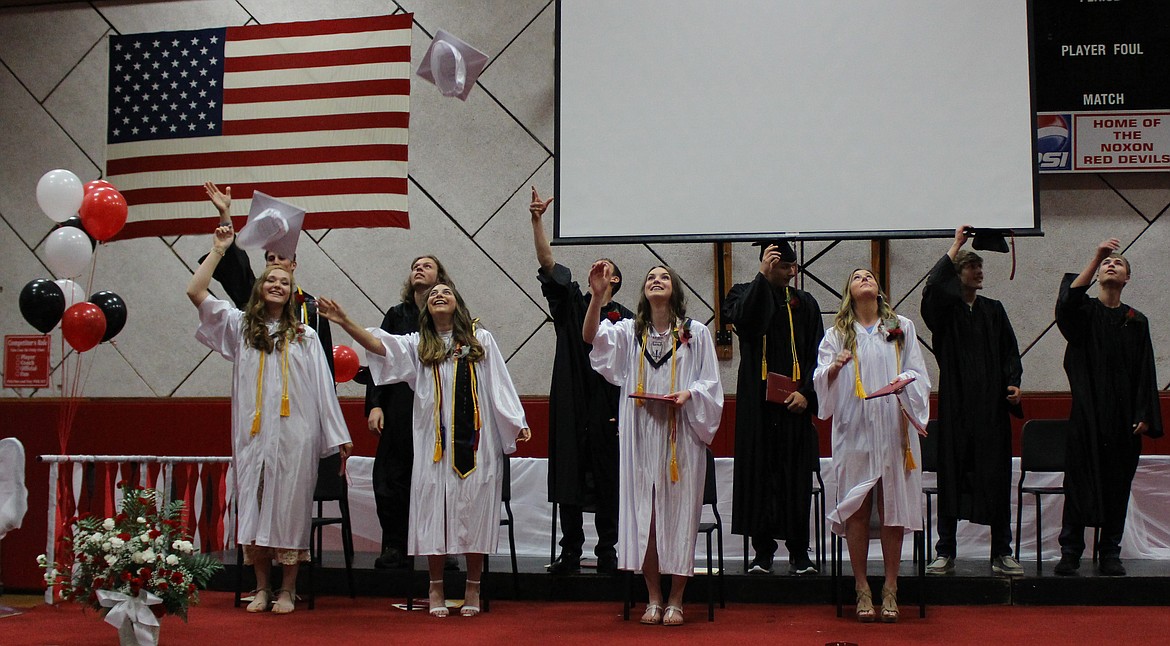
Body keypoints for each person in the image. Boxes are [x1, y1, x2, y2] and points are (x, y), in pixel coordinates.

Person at [317, 285, 530, 618]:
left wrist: (516, 421)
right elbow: (379, 345)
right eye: (433, 295)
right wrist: (345, 321)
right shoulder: (418, 345)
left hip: (476, 443)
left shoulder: (480, 341)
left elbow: (500, 383)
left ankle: (473, 585)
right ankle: (435, 586)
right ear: (425, 309)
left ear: (457, 301)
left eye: (445, 291)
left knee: (474, 509)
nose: (438, 295)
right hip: (435, 445)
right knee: (433, 509)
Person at [187, 226, 352, 615]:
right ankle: (261, 587)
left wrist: (339, 436)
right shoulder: (241, 327)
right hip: (253, 435)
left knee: (291, 510)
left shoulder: (305, 335)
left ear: (293, 289)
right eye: (271, 280)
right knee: (255, 507)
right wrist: (218, 249)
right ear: (260, 287)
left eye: (285, 281)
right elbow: (196, 293)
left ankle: (288, 590)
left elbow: (323, 389)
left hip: (297, 435)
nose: (277, 284)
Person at [583, 263, 723, 627]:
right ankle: (653, 596)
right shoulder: (630, 331)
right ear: (643, 291)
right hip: (640, 432)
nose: (656, 280)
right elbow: (591, 339)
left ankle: (677, 598)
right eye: (650, 277)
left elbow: (711, 384)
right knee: (646, 514)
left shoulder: (696, 333)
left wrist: (690, 393)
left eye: (663, 277)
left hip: (682, 435)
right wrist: (598, 296)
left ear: (674, 289)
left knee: (679, 515)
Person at [813, 268, 930, 623]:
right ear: (849, 290)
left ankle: (891, 586)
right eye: (857, 275)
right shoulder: (836, 335)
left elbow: (920, 373)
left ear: (879, 288)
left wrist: (905, 379)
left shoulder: (901, 328)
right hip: (854, 427)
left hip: (893, 427)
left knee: (892, 505)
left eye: (870, 275)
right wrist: (833, 368)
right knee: (858, 509)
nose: (865, 278)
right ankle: (862, 586)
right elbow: (821, 383)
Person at [529, 187, 632, 575]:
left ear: (617, 280)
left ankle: (608, 549)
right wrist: (538, 220)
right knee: (569, 472)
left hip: (608, 404)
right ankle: (570, 549)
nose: (599, 269)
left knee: (608, 475)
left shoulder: (625, 318)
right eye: (595, 265)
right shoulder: (571, 303)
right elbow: (547, 261)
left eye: (607, 267)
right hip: (572, 397)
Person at [1053, 238, 1162, 577]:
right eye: (1106, 264)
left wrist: (1144, 415)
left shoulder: (1136, 320)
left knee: (1117, 487)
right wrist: (1096, 253)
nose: (1111, 265)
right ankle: (1071, 551)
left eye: (1118, 263)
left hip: (1123, 422)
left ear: (1128, 278)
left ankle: (1110, 551)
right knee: (1078, 485)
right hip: (1087, 418)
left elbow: (1147, 370)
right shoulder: (1084, 314)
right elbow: (1068, 302)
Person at [921, 226, 1024, 577]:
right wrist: (956, 246)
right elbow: (932, 288)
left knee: (995, 479)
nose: (979, 273)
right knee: (952, 478)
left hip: (992, 413)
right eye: (971, 267)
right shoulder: (944, 314)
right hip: (957, 410)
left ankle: (1002, 552)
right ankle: (945, 551)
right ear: (957, 274)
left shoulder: (994, 311)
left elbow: (1011, 353)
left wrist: (1013, 384)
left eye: (980, 268)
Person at [723, 240, 824, 576]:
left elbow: (817, 355)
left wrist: (808, 394)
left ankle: (800, 553)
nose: (789, 271)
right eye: (782, 265)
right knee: (759, 475)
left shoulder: (805, 303)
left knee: (795, 478)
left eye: (791, 266)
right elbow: (747, 324)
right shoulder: (741, 294)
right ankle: (762, 552)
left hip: (795, 405)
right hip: (757, 403)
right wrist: (762, 278)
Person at [366, 256, 456, 570]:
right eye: (415, 265)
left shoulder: (449, 318)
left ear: (440, 277)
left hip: (437, 411)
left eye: (427, 265)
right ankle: (395, 544)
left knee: (441, 477)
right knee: (392, 477)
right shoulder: (396, 314)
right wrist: (375, 404)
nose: (418, 268)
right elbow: (381, 357)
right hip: (399, 408)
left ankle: (444, 548)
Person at [199, 182, 334, 376]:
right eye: (271, 258)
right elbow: (237, 264)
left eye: (282, 258)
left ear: (293, 265)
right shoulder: (255, 299)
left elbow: (324, 364)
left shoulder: (311, 307)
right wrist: (225, 215)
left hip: (298, 391)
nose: (276, 262)